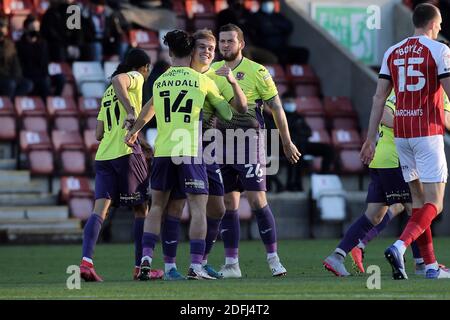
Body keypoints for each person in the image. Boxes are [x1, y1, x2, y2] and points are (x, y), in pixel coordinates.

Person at [124, 30, 245, 280]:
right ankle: (196, 265)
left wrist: (134, 132)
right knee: (198, 209)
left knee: (156, 206)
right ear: (191, 52)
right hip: (190, 150)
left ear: (169, 53)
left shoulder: (160, 81)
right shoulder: (202, 80)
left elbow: (150, 110)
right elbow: (228, 114)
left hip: (164, 150)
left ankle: (146, 261)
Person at [360, 3, 450, 280]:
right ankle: (400, 246)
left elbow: (378, 99)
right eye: (440, 24)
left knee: (419, 201)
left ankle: (431, 266)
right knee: (436, 203)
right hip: (428, 133)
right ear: (434, 24)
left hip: (401, 136)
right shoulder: (440, 50)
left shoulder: (393, 51)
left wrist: (370, 138)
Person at [212, 24, 301, 278]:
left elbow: (276, 107)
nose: (225, 45)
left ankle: (273, 259)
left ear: (241, 43)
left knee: (256, 200)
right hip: (221, 145)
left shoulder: (257, 71)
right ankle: (232, 264)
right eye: (222, 41)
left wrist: (287, 141)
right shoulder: (211, 73)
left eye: (230, 41)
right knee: (229, 202)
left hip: (250, 142)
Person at [79, 48, 161, 282]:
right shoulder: (134, 77)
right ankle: (140, 267)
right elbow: (118, 79)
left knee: (99, 210)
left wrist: (141, 140)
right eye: (148, 70)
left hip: (104, 156)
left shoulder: (107, 94)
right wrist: (132, 110)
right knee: (141, 208)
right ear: (144, 68)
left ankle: (86, 263)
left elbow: (99, 133)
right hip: (126, 154)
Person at [323, 91, 419, 277]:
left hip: (381, 159)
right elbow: (384, 114)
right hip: (394, 160)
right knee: (415, 210)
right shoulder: (401, 91)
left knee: (374, 215)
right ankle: (421, 264)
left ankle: (337, 256)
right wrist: (412, 125)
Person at [245, 0, 309, 65]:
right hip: (265, 49)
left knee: (303, 53)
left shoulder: (278, 16)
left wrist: (271, 25)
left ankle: (294, 73)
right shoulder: (256, 16)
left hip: (281, 48)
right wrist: (277, 28)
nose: (268, 4)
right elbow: (264, 29)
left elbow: (288, 27)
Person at [16, 14, 65, 99]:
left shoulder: (43, 43)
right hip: (29, 75)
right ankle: (48, 105)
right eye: (32, 28)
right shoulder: (20, 45)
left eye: (37, 28)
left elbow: (45, 62)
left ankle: (56, 100)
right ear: (26, 29)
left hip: (43, 73)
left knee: (60, 78)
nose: (35, 30)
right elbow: (24, 65)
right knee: (44, 82)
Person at [0, 15, 33, 99]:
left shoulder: (10, 44)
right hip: (2, 77)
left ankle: (12, 103)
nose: (2, 29)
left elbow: (15, 63)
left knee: (27, 84)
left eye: (3, 27)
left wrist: (16, 76)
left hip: (10, 76)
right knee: (10, 84)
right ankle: (8, 105)